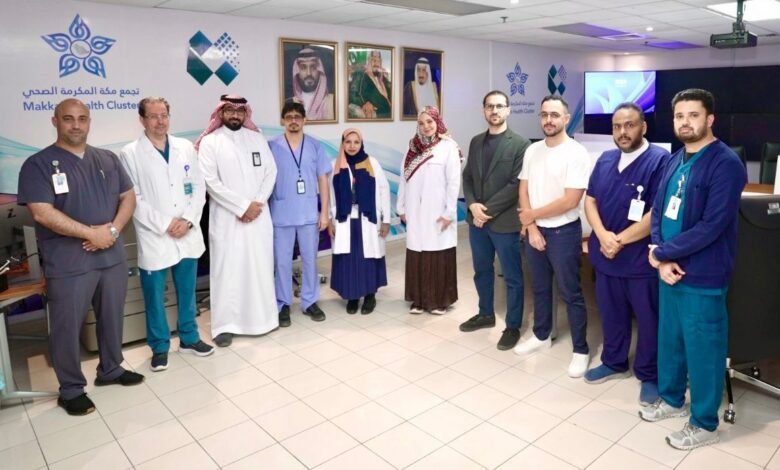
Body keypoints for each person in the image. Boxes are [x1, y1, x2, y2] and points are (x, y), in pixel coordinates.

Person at [17, 98, 143, 416]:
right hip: (69, 263)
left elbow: (128, 197)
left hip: (111, 257)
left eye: (82, 118)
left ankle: (111, 369)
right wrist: (91, 233)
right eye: (68, 118)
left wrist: (112, 230)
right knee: (66, 326)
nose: (76, 125)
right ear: (55, 121)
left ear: (89, 121)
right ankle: (71, 389)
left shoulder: (108, 159)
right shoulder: (37, 164)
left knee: (112, 317)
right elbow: (42, 212)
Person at [640, 89, 746, 450]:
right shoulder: (675, 159)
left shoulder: (726, 164)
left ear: (710, 119)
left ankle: (704, 423)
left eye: (693, 115)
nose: (685, 122)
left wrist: (662, 253)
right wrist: (660, 256)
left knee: (704, 351)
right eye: (679, 116)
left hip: (702, 276)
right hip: (670, 271)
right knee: (670, 342)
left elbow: (712, 225)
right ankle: (672, 400)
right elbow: (658, 210)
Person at [583, 102, 669, 404]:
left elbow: (656, 212)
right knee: (611, 314)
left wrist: (618, 240)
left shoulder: (660, 160)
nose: (622, 131)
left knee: (648, 320)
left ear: (643, 127)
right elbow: (590, 200)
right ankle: (613, 361)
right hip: (606, 258)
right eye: (617, 126)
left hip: (639, 262)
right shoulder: (606, 159)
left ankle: (649, 373)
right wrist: (602, 235)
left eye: (629, 125)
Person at [120, 96, 214, 371]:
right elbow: (133, 198)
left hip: (187, 232)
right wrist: (166, 224)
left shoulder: (185, 147)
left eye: (164, 115)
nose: (160, 121)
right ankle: (160, 347)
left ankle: (189, 338)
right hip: (155, 237)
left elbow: (199, 187)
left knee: (187, 292)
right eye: (153, 116)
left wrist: (188, 221)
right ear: (142, 119)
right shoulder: (130, 153)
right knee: (155, 298)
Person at [514, 95, 591, 378]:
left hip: (563, 232)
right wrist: (532, 227)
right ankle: (541, 335)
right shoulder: (532, 150)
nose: (549, 120)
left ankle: (581, 350)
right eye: (544, 114)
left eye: (555, 115)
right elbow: (523, 189)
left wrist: (531, 216)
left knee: (571, 293)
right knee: (540, 288)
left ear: (566, 119)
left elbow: (570, 200)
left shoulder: (576, 153)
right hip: (535, 231)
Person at [195, 94, 278, 347]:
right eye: (230, 110)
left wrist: (257, 203)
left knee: (259, 267)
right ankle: (225, 326)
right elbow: (209, 181)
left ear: (245, 114)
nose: (235, 115)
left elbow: (271, 171)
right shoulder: (210, 142)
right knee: (227, 272)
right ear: (221, 113)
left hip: (258, 217)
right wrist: (242, 207)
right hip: (227, 219)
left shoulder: (257, 138)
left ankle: (263, 319)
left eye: (240, 111)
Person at [459, 90, 530, 350]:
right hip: (477, 224)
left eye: (500, 106)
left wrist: (484, 211)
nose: (495, 111)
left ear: (508, 110)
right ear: (483, 110)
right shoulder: (476, 141)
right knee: (482, 271)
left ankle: (513, 326)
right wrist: (472, 204)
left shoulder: (521, 144)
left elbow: (515, 185)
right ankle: (485, 314)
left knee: (512, 277)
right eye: (490, 106)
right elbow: (468, 177)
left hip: (504, 223)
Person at [269, 101, 332, 325]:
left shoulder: (315, 146)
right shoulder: (272, 146)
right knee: (282, 262)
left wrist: (324, 213)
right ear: (283, 120)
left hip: (308, 214)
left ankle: (310, 301)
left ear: (304, 120)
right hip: (281, 213)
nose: (293, 121)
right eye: (289, 117)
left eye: (297, 117)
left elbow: (323, 180)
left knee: (310, 260)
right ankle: (283, 304)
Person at [397, 105, 461, 314]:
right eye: (421, 123)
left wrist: (449, 212)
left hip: (438, 213)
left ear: (437, 122)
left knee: (438, 254)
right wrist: (401, 207)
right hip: (415, 212)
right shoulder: (411, 148)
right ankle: (418, 300)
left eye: (430, 122)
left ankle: (439, 301)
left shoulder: (448, 147)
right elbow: (403, 180)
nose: (426, 126)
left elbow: (453, 182)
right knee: (417, 252)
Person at [328, 128, 391, 314]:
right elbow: (331, 195)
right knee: (348, 260)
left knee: (368, 259)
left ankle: (370, 296)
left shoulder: (372, 163)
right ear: (342, 144)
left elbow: (384, 190)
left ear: (361, 144)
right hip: (345, 219)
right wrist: (330, 220)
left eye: (356, 142)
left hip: (368, 218)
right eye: (348, 142)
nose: (352, 146)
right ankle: (353, 297)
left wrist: (386, 220)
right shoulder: (335, 165)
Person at [290, 47, 335, 121]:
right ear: (297, 72)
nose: (309, 73)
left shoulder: (332, 101)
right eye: (303, 67)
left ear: (320, 71)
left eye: (313, 67)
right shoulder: (290, 103)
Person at [348, 50, 392, 119]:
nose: (376, 62)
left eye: (378, 60)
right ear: (368, 60)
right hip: (377, 114)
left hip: (390, 116)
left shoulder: (384, 80)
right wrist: (364, 103)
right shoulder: (360, 75)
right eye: (373, 59)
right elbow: (353, 95)